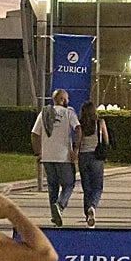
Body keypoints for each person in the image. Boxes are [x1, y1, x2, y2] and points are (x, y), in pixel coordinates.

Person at [31, 88, 81, 226]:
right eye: (67, 98)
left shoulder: (44, 113)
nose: (68, 101)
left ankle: (55, 215)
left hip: (47, 156)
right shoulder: (68, 112)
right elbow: (78, 129)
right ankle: (60, 205)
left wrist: (38, 153)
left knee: (52, 187)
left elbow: (34, 134)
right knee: (69, 184)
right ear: (62, 100)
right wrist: (75, 149)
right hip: (63, 156)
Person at [77, 101, 108, 228]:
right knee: (98, 187)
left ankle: (87, 216)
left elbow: (78, 141)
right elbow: (106, 139)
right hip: (96, 157)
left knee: (87, 188)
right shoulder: (100, 123)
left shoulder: (80, 125)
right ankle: (92, 206)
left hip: (83, 157)